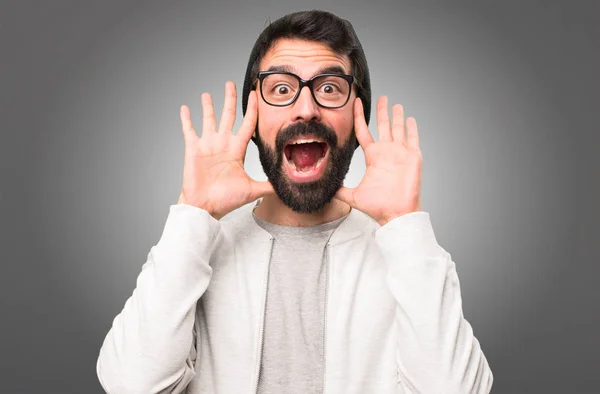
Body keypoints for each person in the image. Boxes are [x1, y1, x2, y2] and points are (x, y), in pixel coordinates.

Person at [96, 9, 493, 394]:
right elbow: (131, 384)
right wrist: (193, 216)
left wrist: (405, 224)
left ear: (358, 120)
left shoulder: (401, 253)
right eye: (282, 89)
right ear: (253, 121)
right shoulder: (203, 247)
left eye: (329, 88)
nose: (306, 108)